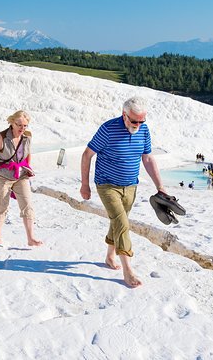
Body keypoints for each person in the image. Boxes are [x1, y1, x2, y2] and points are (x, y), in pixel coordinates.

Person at [80, 96, 165, 288]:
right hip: (107, 184)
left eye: (142, 121)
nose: (138, 124)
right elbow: (87, 155)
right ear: (124, 115)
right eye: (134, 120)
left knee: (118, 222)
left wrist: (160, 186)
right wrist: (84, 184)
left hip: (130, 186)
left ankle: (110, 256)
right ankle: (128, 271)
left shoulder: (143, 129)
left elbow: (148, 158)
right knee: (121, 223)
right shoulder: (108, 129)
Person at [0, 110, 42, 247]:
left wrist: (27, 167)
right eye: (19, 125)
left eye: (25, 126)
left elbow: (28, 153)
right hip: (2, 176)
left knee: (27, 205)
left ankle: (30, 238)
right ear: (12, 123)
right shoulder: (2, 138)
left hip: (20, 176)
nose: (22, 129)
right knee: (1, 206)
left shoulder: (27, 137)